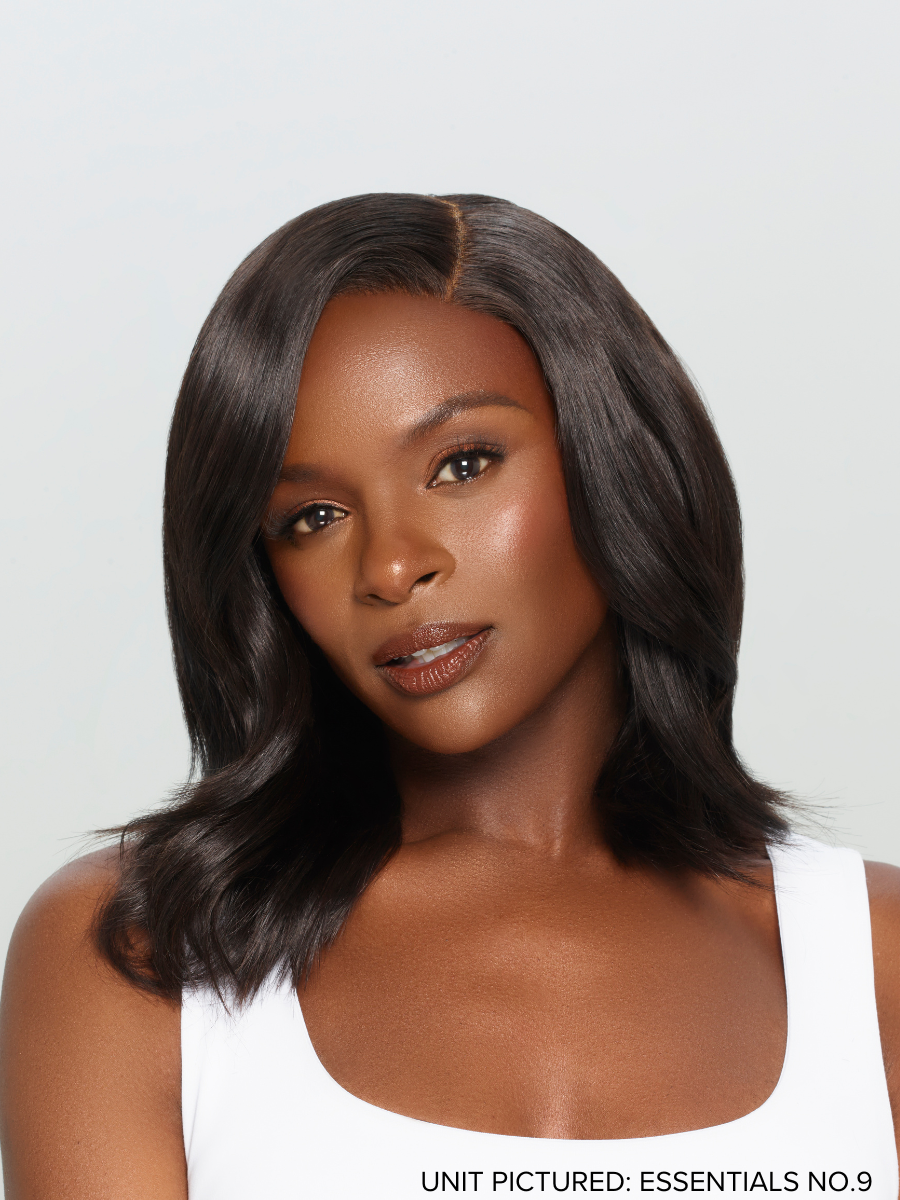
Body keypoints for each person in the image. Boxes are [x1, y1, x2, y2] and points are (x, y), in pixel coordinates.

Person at [1, 193, 899, 1199]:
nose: (390, 565)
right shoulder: (145, 957)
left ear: (614, 461)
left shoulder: (875, 958)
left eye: (462, 464)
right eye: (313, 517)